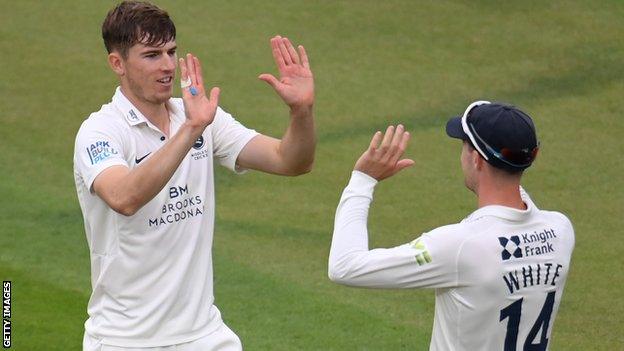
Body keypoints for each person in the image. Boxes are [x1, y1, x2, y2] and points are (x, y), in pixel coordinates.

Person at [73, 1, 314, 350]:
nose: (169, 66)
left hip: (204, 335)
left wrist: (301, 111)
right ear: (117, 63)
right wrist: (191, 128)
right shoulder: (100, 132)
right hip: (125, 339)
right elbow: (124, 198)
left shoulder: (198, 117)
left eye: (172, 52)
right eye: (152, 55)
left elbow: (291, 161)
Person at [328, 101, 574, 350]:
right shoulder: (560, 231)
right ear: (533, 156)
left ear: (476, 159)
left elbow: (344, 267)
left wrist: (363, 179)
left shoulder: (460, 246)